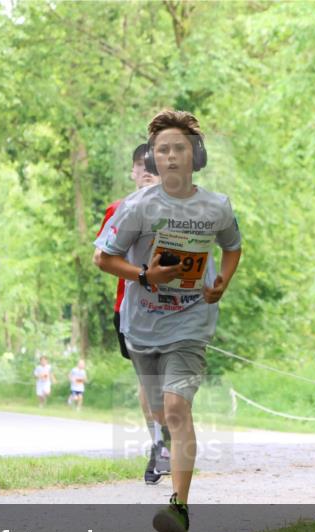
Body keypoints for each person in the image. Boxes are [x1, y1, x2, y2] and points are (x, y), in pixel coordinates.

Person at [95, 110, 242, 532]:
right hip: (142, 326)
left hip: (191, 324)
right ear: (153, 159)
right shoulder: (138, 206)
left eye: (179, 148)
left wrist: (222, 283)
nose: (172, 156)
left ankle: (178, 506)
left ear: (194, 155)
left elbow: (232, 247)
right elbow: (103, 258)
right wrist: (144, 275)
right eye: (163, 150)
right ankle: (163, 454)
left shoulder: (216, 207)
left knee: (178, 409)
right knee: (159, 412)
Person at [93, 143, 171, 485]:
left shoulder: (181, 208)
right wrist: (143, 274)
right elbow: (105, 257)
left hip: (177, 307)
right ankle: (159, 444)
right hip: (131, 308)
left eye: (156, 164)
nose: (149, 170)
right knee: (149, 380)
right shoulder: (119, 208)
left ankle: (171, 437)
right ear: (134, 172)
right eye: (144, 165)